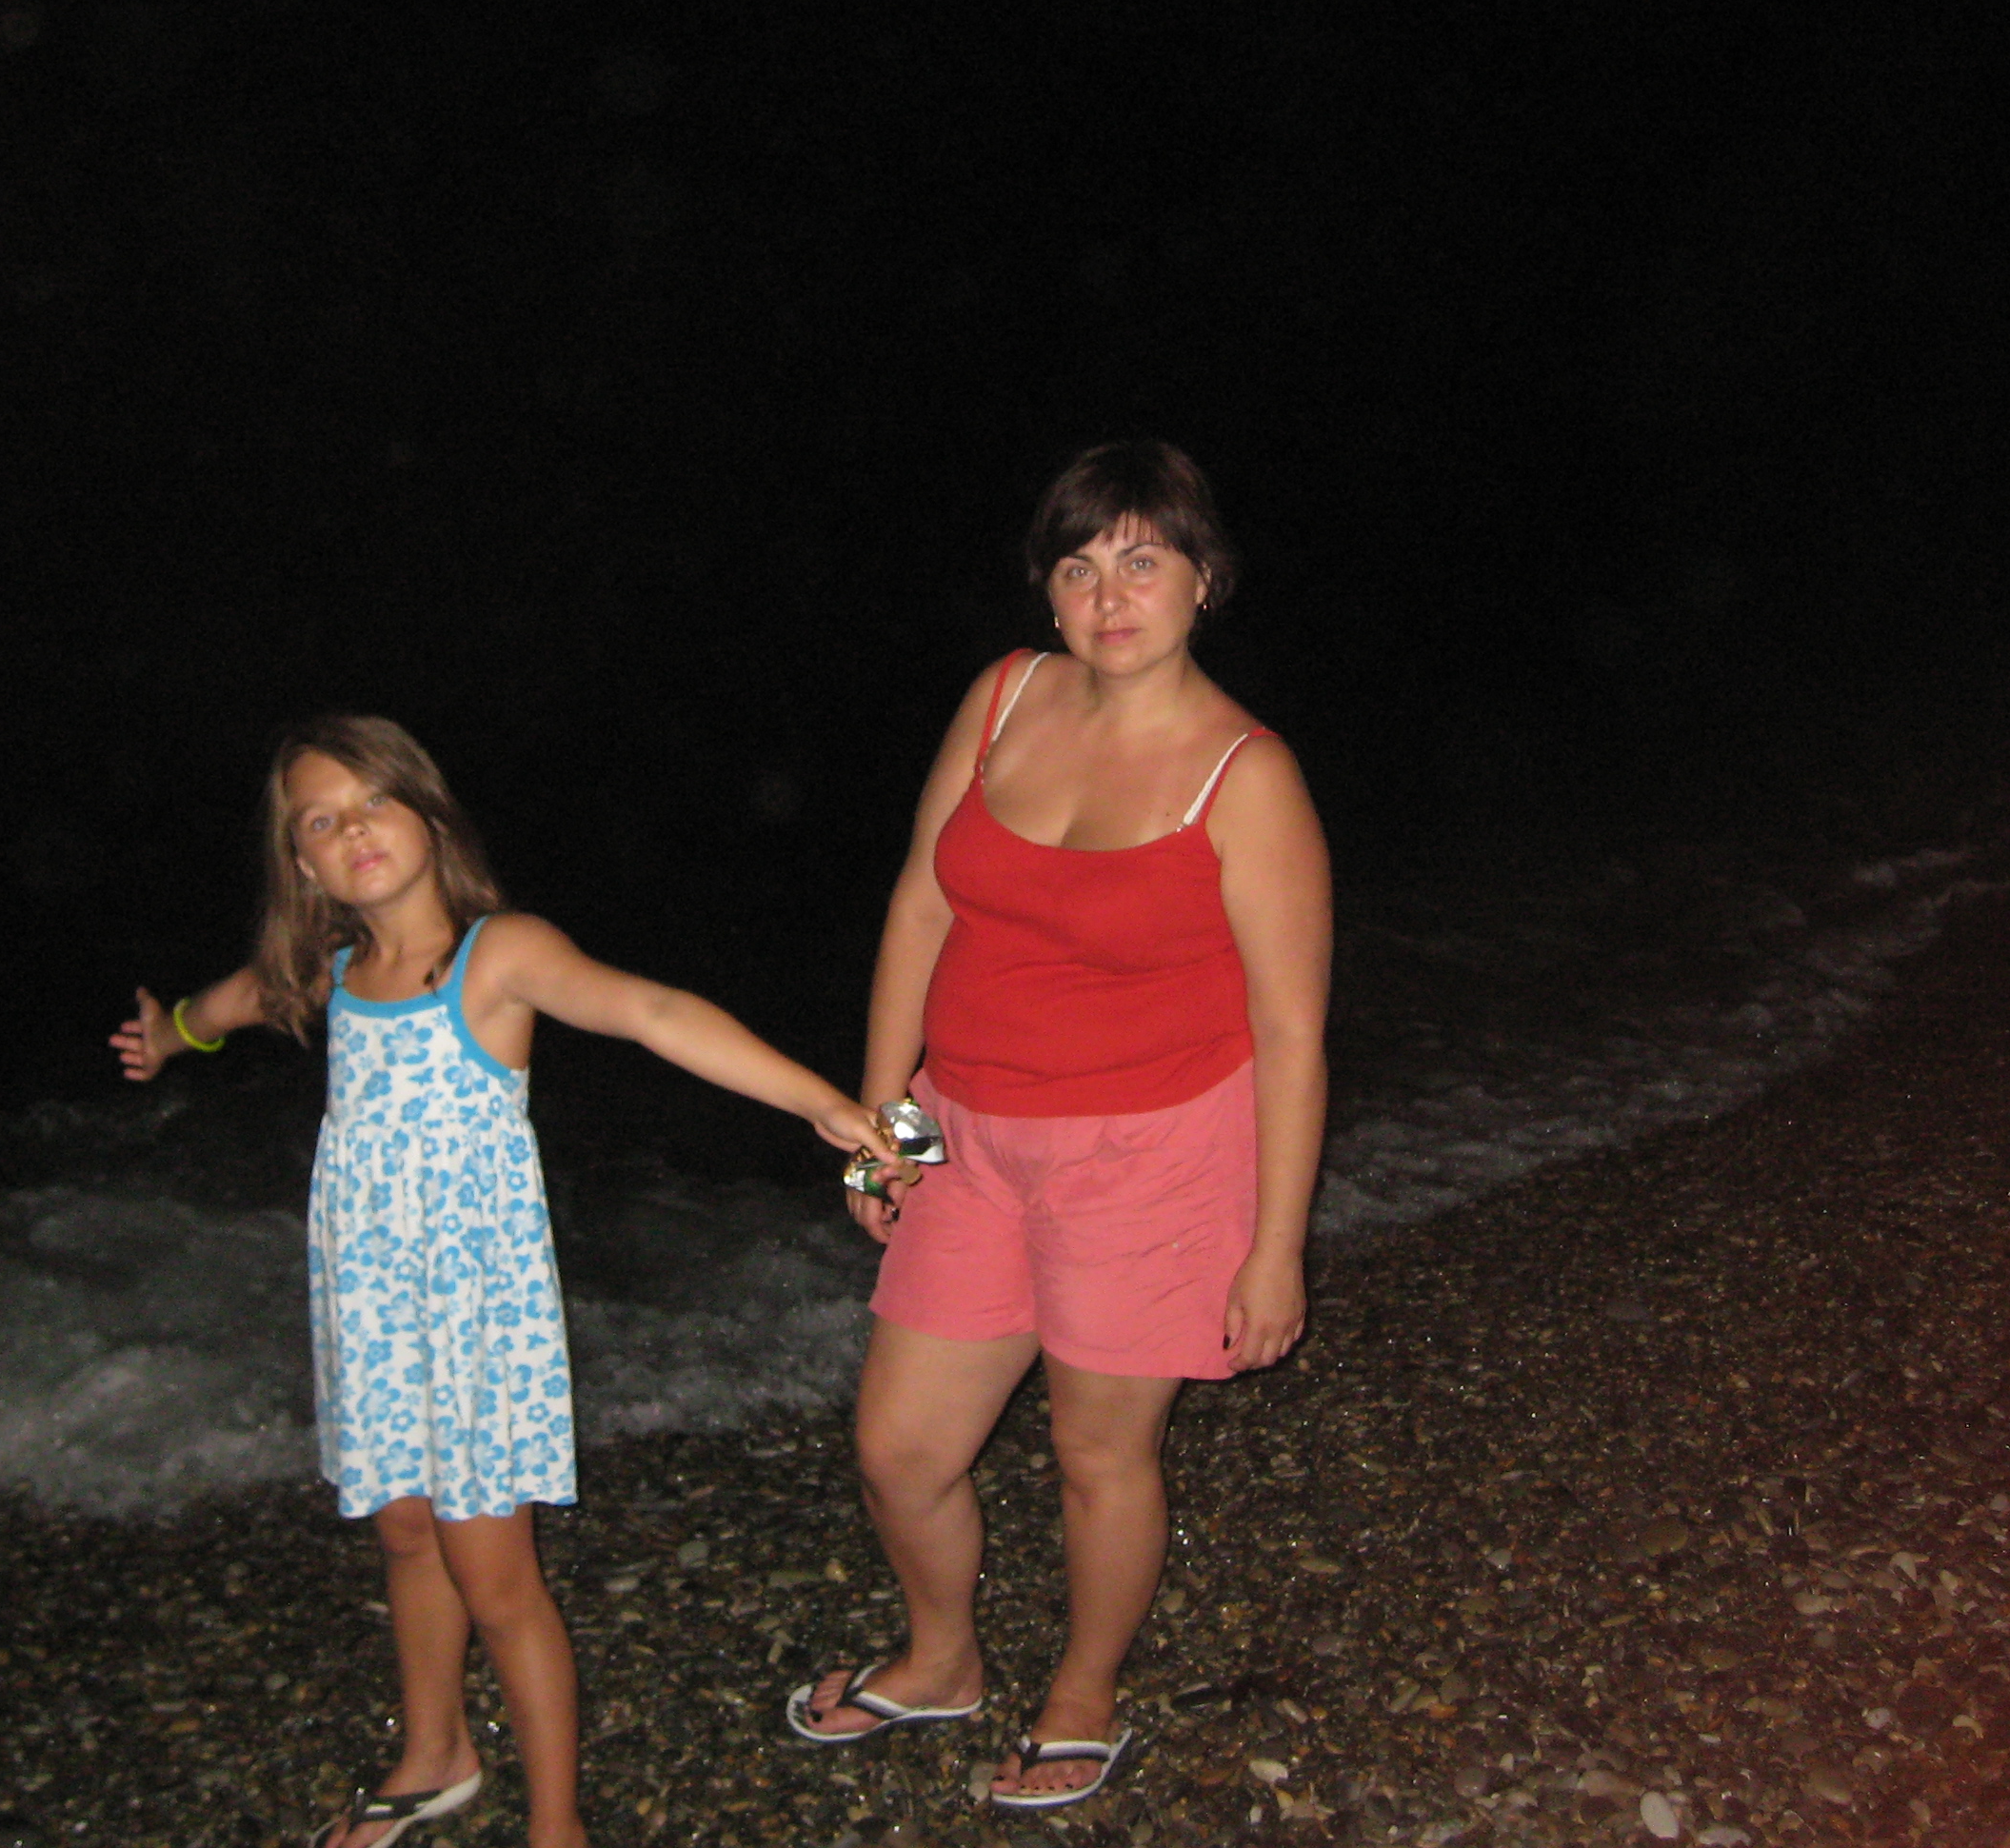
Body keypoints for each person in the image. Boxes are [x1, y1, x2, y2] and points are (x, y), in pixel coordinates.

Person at [117, 716, 902, 1848]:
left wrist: (819, 1103)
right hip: (373, 1310)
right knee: (404, 1531)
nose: (354, 831)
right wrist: (173, 1035)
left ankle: (556, 1823)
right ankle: (435, 1754)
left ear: (428, 814)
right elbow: (241, 998)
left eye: (373, 802)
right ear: (303, 865)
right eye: (322, 822)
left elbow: (651, 1011)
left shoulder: (498, 956)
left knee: (496, 1580)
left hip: (477, 1320)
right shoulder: (332, 971)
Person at [786, 440, 1333, 1815]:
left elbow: (1290, 1035)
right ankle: (942, 1657)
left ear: (1204, 580)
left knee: (1098, 1454)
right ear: (1047, 591)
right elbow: (922, 904)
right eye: (1079, 567)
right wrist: (886, 1127)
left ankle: (1083, 1693)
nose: (1109, 596)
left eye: (1143, 561)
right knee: (900, 1449)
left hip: (1154, 1154)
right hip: (965, 1133)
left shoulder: (1247, 776)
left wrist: (1274, 1250)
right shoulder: (1003, 699)